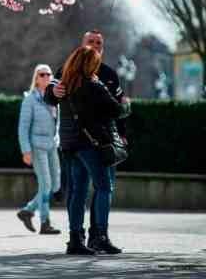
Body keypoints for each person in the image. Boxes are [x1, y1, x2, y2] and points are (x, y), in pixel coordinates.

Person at [45, 30, 129, 251]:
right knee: (103, 187)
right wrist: (54, 91)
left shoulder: (108, 73)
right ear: (82, 45)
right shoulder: (71, 73)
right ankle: (97, 237)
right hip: (95, 142)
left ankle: (80, 238)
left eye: (98, 42)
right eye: (90, 42)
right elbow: (118, 108)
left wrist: (122, 134)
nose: (94, 45)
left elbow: (115, 106)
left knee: (79, 189)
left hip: (76, 141)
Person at [16, 64, 61, 235]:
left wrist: (59, 140)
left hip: (52, 145)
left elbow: (58, 124)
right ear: (36, 78)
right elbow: (23, 127)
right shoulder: (30, 99)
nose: (46, 77)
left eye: (49, 74)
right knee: (46, 184)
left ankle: (27, 210)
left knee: (56, 184)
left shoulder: (54, 99)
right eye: (42, 74)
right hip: (37, 146)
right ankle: (45, 222)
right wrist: (25, 150)